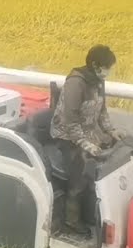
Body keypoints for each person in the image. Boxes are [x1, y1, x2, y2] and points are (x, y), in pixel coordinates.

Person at [49, 44, 123, 236]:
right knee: (79, 175)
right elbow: (70, 121)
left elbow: (102, 111)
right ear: (95, 65)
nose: (108, 72)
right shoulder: (76, 83)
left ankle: (89, 213)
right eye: (106, 67)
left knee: (99, 170)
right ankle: (71, 221)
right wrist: (86, 145)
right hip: (66, 135)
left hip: (87, 131)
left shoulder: (98, 82)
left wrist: (111, 131)